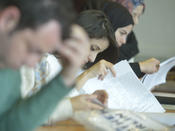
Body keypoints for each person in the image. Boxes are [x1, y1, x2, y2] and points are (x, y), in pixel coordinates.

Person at [0, 0, 89, 131]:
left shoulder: (9, 65)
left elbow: (9, 125)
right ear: (8, 20)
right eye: (31, 49)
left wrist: (65, 77)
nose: (32, 64)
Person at [21, 10, 117, 124]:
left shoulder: (65, 66)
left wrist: (84, 101)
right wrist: (73, 104)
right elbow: (29, 114)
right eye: (92, 48)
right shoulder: (39, 63)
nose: (93, 58)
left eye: (98, 53)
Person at [82, 0, 160, 78]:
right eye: (134, 14)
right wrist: (140, 67)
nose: (136, 21)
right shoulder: (85, 39)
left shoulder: (130, 43)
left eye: (139, 16)